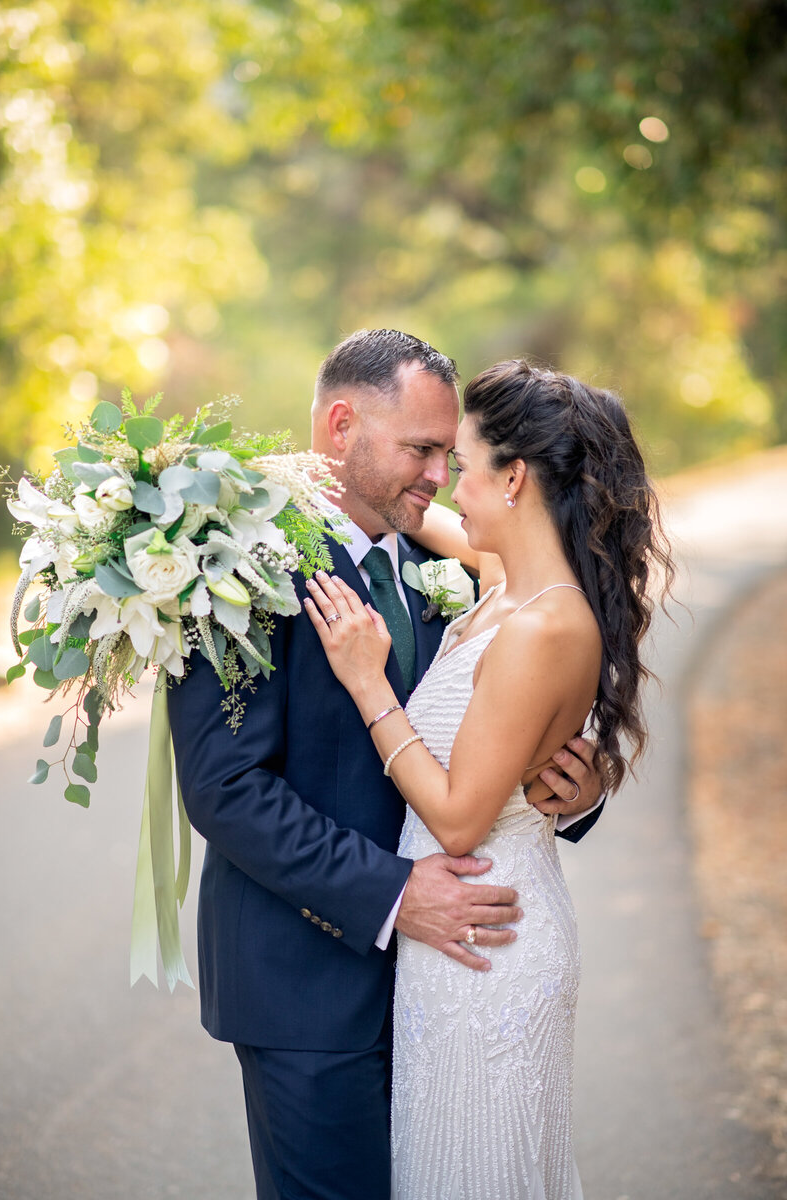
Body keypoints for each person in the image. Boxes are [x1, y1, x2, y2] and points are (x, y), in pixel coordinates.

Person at [167, 332, 605, 1200]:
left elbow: (509, 717)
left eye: (450, 453)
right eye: (420, 450)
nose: (440, 475)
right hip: (308, 988)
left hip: (444, 992)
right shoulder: (230, 568)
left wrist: (579, 787)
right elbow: (226, 789)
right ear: (340, 425)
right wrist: (397, 894)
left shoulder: (449, 555)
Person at [305, 357, 673, 1199]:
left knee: (480, 1170)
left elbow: (461, 819)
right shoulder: (505, 587)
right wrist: (273, 488)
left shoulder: (545, 625)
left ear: (513, 479)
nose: (444, 489)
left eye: (463, 468)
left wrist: (369, 683)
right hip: (458, 945)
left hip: (489, 946)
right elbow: (403, 516)